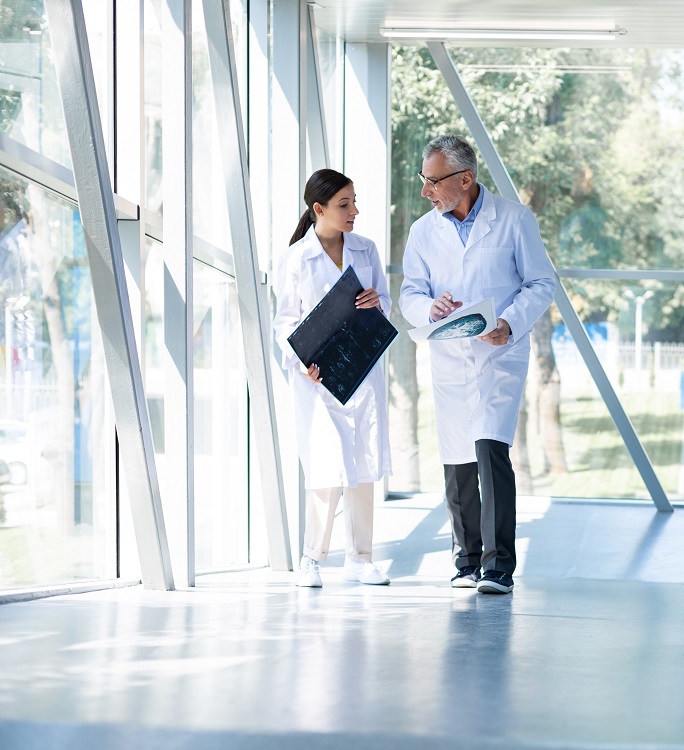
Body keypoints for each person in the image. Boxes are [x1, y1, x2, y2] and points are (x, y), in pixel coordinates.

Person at [399, 134, 556, 594]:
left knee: (490, 449)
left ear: (464, 179)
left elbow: (541, 282)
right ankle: (466, 561)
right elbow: (411, 291)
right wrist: (429, 309)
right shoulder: (423, 231)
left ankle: (498, 567)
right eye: (423, 181)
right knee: (457, 457)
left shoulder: (512, 219)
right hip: (450, 354)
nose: (425, 192)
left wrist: (509, 323)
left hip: (499, 353)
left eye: (432, 182)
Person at [274, 168, 392, 588]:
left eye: (355, 202)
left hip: (360, 369)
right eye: (345, 205)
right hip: (318, 380)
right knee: (325, 467)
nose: (354, 211)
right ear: (318, 209)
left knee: (361, 466)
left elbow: (385, 305)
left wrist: (380, 301)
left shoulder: (366, 249)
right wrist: (301, 360)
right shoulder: (295, 259)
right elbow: (284, 323)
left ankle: (361, 558)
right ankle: (312, 558)